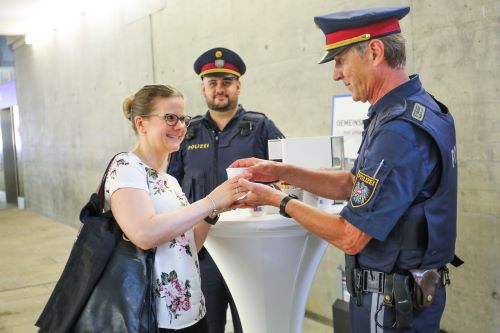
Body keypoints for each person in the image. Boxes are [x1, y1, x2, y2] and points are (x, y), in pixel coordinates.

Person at [231, 6, 461, 333]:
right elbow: (353, 183)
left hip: (389, 307)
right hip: (402, 295)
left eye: (340, 60)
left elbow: (350, 236)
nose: (336, 74)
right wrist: (280, 172)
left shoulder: (397, 131)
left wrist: (276, 200)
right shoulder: (411, 108)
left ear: (375, 52)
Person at [104, 84, 247, 332]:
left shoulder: (168, 180)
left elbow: (190, 244)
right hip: (153, 317)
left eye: (182, 118)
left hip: (191, 311)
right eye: (169, 118)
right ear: (141, 123)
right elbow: (144, 234)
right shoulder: (126, 165)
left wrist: (215, 211)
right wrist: (210, 201)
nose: (180, 126)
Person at [167, 47, 284, 333]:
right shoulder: (187, 132)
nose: (220, 89)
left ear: (238, 86)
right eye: (213, 83)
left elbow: (287, 179)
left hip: (250, 249)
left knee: (252, 324)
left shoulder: (261, 127)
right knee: (207, 326)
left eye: (226, 83)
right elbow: (171, 187)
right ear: (203, 88)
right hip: (203, 250)